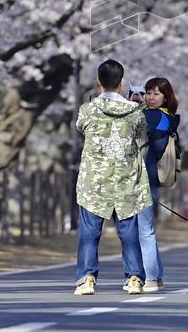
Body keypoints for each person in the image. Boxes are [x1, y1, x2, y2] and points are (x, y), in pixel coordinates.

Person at [73, 59, 152, 296]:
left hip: (93, 183)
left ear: (98, 81)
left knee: (89, 233)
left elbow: (80, 127)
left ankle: (87, 278)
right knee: (128, 232)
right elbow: (141, 134)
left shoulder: (88, 110)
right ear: (122, 82)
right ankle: (135, 278)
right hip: (125, 181)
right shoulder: (135, 113)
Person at [131, 76, 181, 293]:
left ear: (165, 97)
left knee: (144, 230)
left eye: (155, 94)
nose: (150, 98)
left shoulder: (153, 117)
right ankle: (157, 275)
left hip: (145, 178)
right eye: (147, 93)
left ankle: (150, 277)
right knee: (146, 227)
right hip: (152, 179)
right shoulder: (167, 117)